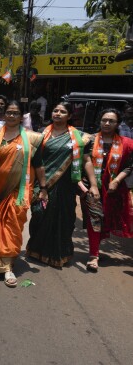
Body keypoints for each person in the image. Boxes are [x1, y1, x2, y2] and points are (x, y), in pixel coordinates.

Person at [0, 100, 47, 287]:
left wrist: (44, 188)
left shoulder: (32, 138)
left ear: (22, 116)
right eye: (9, 112)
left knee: (12, 227)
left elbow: (38, 166)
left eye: (16, 113)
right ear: (4, 114)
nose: (12, 116)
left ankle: (7, 267)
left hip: (20, 191)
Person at [26, 102, 91, 268]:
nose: (58, 113)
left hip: (65, 186)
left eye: (63, 112)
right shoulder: (41, 134)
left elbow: (86, 160)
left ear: (69, 116)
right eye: (55, 110)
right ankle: (36, 249)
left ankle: (59, 254)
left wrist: (93, 185)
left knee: (64, 218)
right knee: (39, 214)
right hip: (42, 183)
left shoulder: (80, 137)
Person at [80, 108, 133, 272]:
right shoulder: (89, 140)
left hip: (114, 190)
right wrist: (89, 185)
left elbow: (129, 166)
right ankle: (93, 255)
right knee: (94, 220)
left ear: (118, 123)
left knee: (109, 219)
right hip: (92, 187)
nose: (107, 123)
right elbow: (82, 162)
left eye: (111, 121)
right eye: (104, 120)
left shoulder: (127, 143)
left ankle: (97, 247)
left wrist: (117, 180)